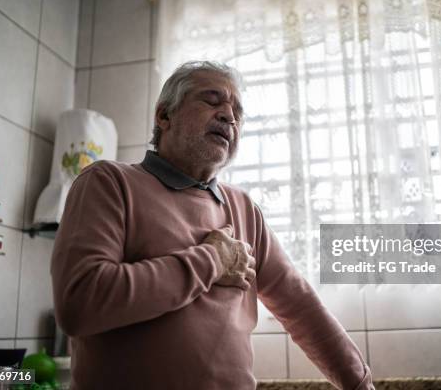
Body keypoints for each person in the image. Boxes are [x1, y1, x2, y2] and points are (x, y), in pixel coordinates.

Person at [51, 61, 375, 390]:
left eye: (237, 111)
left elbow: (301, 306)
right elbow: (80, 304)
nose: (228, 116)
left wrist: (361, 385)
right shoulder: (108, 182)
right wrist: (213, 261)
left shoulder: (245, 209)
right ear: (164, 116)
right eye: (211, 100)